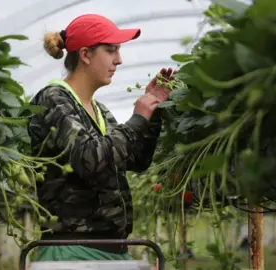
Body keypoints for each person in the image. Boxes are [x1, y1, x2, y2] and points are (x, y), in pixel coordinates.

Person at [27, 13, 174, 262]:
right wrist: (137, 119)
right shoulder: (54, 99)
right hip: (72, 251)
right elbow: (88, 159)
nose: (119, 60)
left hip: (111, 249)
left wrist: (152, 114)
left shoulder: (100, 111)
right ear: (85, 55)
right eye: (111, 50)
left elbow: (136, 160)